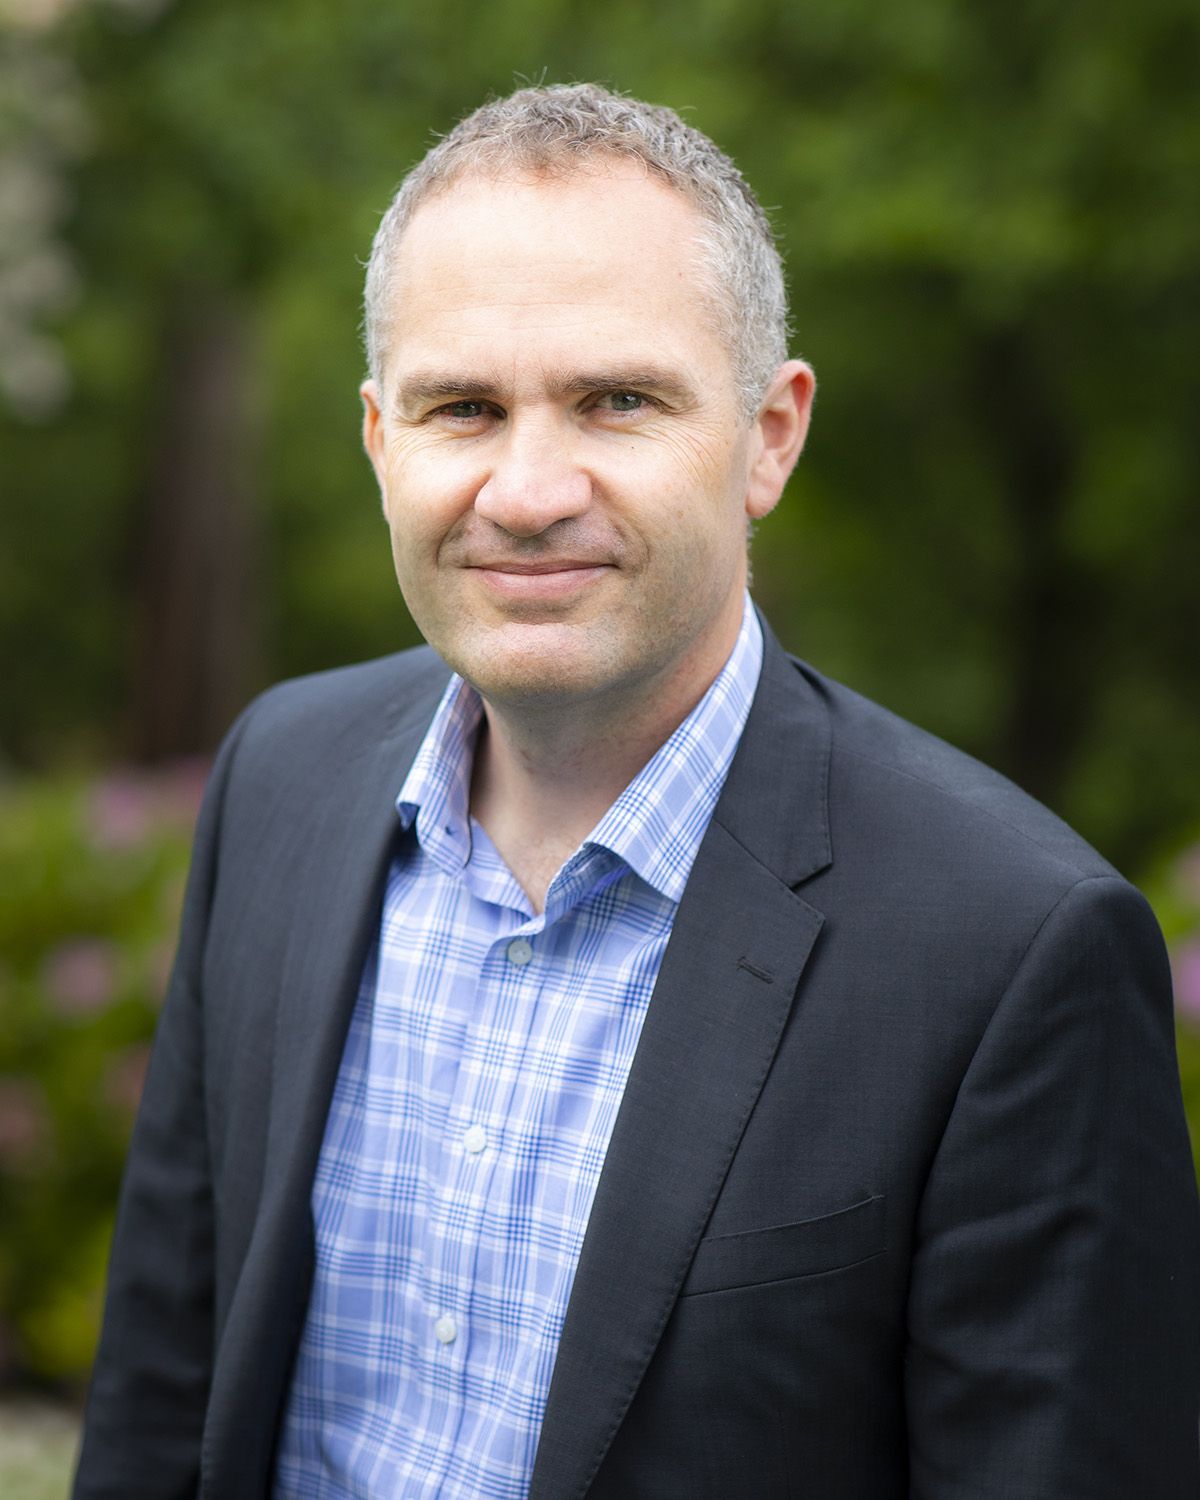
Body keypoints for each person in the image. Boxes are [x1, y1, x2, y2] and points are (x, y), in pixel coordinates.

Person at [73, 83, 1199, 1500]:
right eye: (463, 408)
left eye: (619, 401)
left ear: (769, 436)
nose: (529, 490)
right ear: (379, 440)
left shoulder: (1012, 951)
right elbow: (162, 1398)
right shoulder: (279, 780)